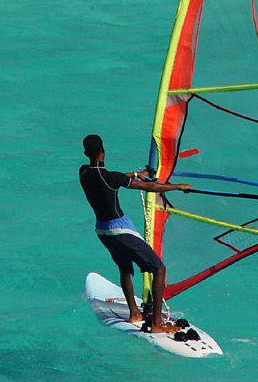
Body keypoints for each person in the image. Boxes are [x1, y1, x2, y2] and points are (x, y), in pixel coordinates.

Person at [80, 134, 192, 333]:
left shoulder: (83, 173)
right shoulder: (111, 178)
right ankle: (157, 323)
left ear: (86, 153)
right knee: (158, 268)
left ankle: (134, 313)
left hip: (103, 231)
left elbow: (110, 178)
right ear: (103, 150)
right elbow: (148, 186)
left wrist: (133, 174)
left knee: (125, 269)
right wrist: (176, 187)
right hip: (119, 230)